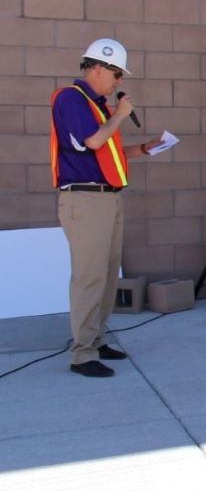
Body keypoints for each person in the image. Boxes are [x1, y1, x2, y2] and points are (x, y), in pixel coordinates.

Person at [51, 38, 165, 378]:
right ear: (96, 68)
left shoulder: (98, 106)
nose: (119, 81)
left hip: (107, 196)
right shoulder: (72, 99)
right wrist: (118, 115)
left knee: (106, 273)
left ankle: (97, 339)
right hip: (84, 198)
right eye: (116, 73)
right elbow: (94, 141)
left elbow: (107, 151)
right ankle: (82, 353)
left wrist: (146, 148)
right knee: (89, 276)